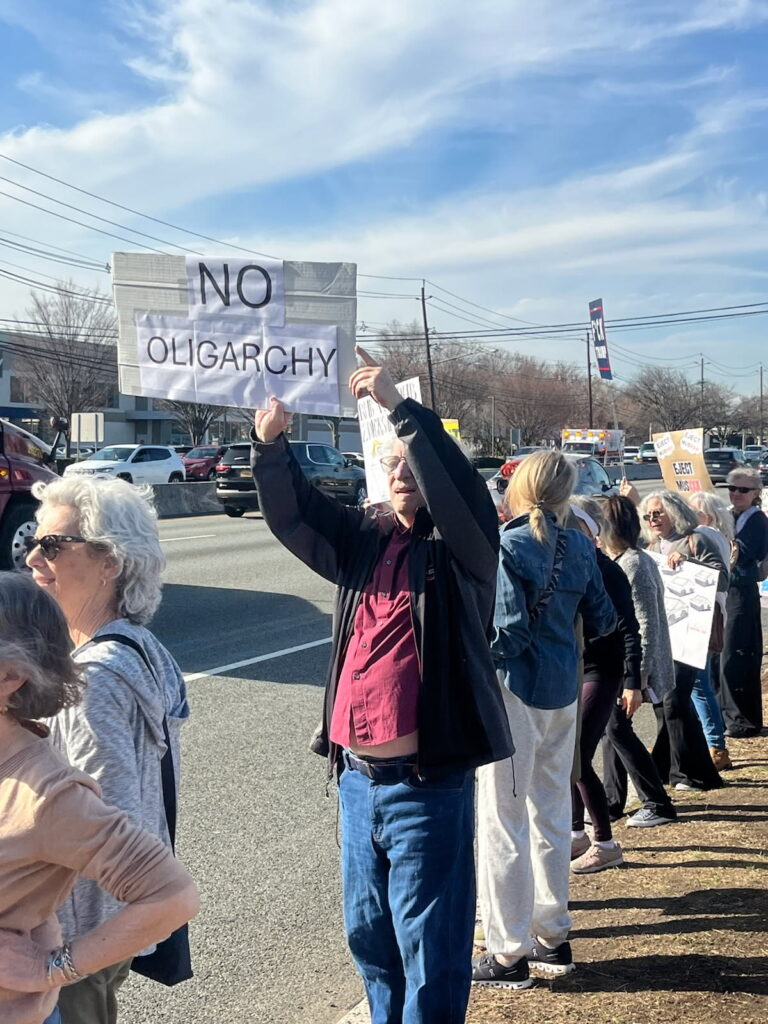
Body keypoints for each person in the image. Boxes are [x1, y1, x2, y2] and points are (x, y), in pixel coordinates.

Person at [251, 348, 513, 1024]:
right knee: (370, 940)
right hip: (357, 784)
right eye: (390, 465)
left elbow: (462, 497)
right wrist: (271, 447)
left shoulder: (461, 552)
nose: (400, 475)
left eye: (410, 465)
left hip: (425, 788)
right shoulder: (364, 540)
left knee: (430, 948)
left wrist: (400, 410)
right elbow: (297, 516)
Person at [24, 476, 190, 1024]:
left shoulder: (93, 678)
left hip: (73, 935)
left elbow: (104, 826)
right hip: (100, 928)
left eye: (53, 545)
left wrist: (60, 959)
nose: (33, 557)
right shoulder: (141, 648)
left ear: (109, 563)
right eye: (35, 542)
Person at [473, 451, 616, 989]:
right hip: (563, 692)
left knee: (502, 822)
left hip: (515, 694)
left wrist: (470, 652)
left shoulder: (508, 545)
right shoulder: (580, 545)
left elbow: (508, 634)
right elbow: (604, 618)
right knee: (552, 815)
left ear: (519, 489)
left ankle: (507, 953)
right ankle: (553, 936)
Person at [568, 497, 642, 874]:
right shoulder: (566, 565)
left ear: (591, 532)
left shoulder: (607, 571)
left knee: (578, 755)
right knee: (566, 755)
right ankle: (576, 832)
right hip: (574, 669)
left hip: (603, 670)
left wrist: (633, 681)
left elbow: (629, 628)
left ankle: (605, 843)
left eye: (573, 525)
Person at [639, 490, 726, 791]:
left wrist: (689, 563)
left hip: (690, 635)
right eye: (648, 515)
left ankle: (686, 773)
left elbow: (722, 577)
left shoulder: (695, 540)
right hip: (665, 636)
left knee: (675, 700)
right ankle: (679, 769)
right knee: (664, 704)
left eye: (658, 513)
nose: (652, 520)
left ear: (674, 511)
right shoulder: (652, 546)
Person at [600, 496, 678, 827]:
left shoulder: (634, 564)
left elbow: (646, 624)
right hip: (620, 664)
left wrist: (638, 676)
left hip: (632, 666)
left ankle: (658, 803)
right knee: (610, 730)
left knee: (617, 728)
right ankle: (612, 802)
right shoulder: (622, 560)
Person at [718, 466, 768, 738]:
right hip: (724, 591)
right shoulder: (727, 514)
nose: (736, 494)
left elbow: (742, 554)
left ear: (756, 493)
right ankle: (723, 713)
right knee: (720, 652)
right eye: (732, 488)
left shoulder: (756, 520)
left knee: (737, 653)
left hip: (742, 593)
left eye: (743, 489)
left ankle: (741, 720)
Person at [687, 490, 735, 770]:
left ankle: (715, 746)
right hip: (711, 613)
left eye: (691, 511)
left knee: (698, 682)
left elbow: (714, 576)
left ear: (706, 515)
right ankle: (709, 743)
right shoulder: (719, 536)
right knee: (699, 682)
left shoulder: (703, 534)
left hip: (701, 614)